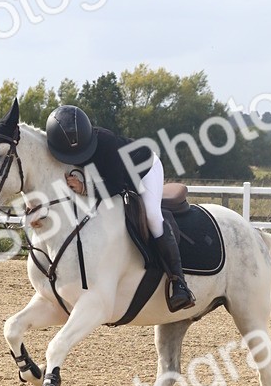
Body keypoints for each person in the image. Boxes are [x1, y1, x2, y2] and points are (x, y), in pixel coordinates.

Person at [45, 105, 196, 313]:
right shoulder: (58, 147)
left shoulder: (106, 142)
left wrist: (85, 188)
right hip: (112, 177)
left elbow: (116, 186)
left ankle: (178, 282)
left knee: (152, 215)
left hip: (144, 171)